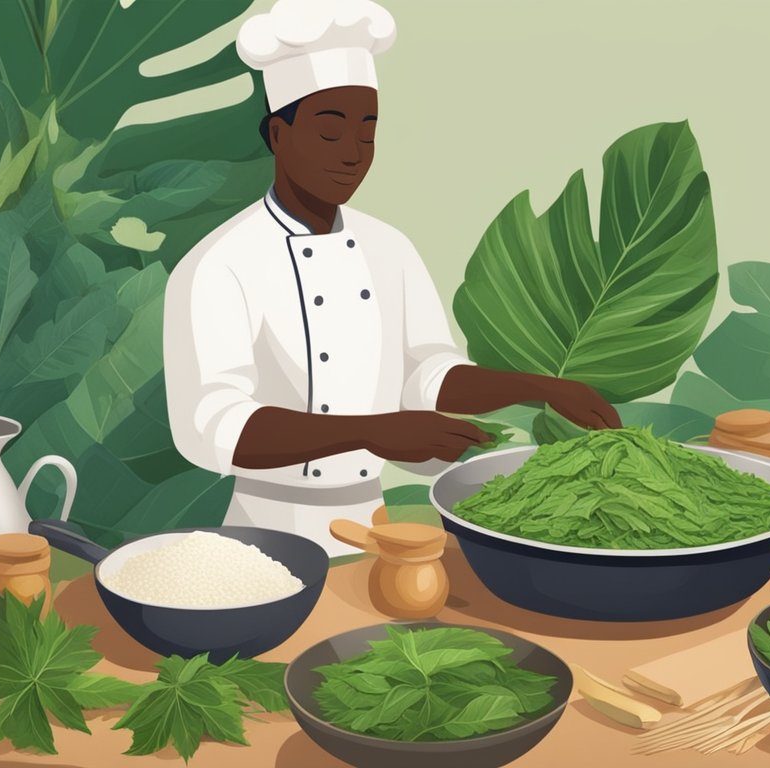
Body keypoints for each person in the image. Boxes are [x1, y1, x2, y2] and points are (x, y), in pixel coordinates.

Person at [165, 0, 619, 556]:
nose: (354, 154)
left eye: (368, 131)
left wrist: (541, 388)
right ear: (277, 136)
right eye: (330, 133)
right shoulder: (219, 263)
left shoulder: (388, 246)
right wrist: (369, 430)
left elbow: (428, 373)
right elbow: (212, 427)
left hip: (376, 527)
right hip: (263, 536)